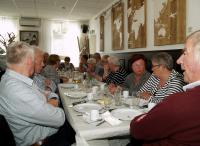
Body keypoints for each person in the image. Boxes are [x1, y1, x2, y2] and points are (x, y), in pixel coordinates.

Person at [130, 30, 200, 146]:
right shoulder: (154, 77)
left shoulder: (178, 88)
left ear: (162, 67)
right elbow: (141, 92)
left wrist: (150, 102)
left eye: (185, 53)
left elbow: (137, 129)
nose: (179, 60)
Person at [0, 42, 69, 146]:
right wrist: (50, 102)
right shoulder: (17, 89)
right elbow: (59, 118)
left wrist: (48, 101)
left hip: (46, 131)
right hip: (43, 141)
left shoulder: (17, 80)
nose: (42, 65)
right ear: (29, 61)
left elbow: (48, 93)